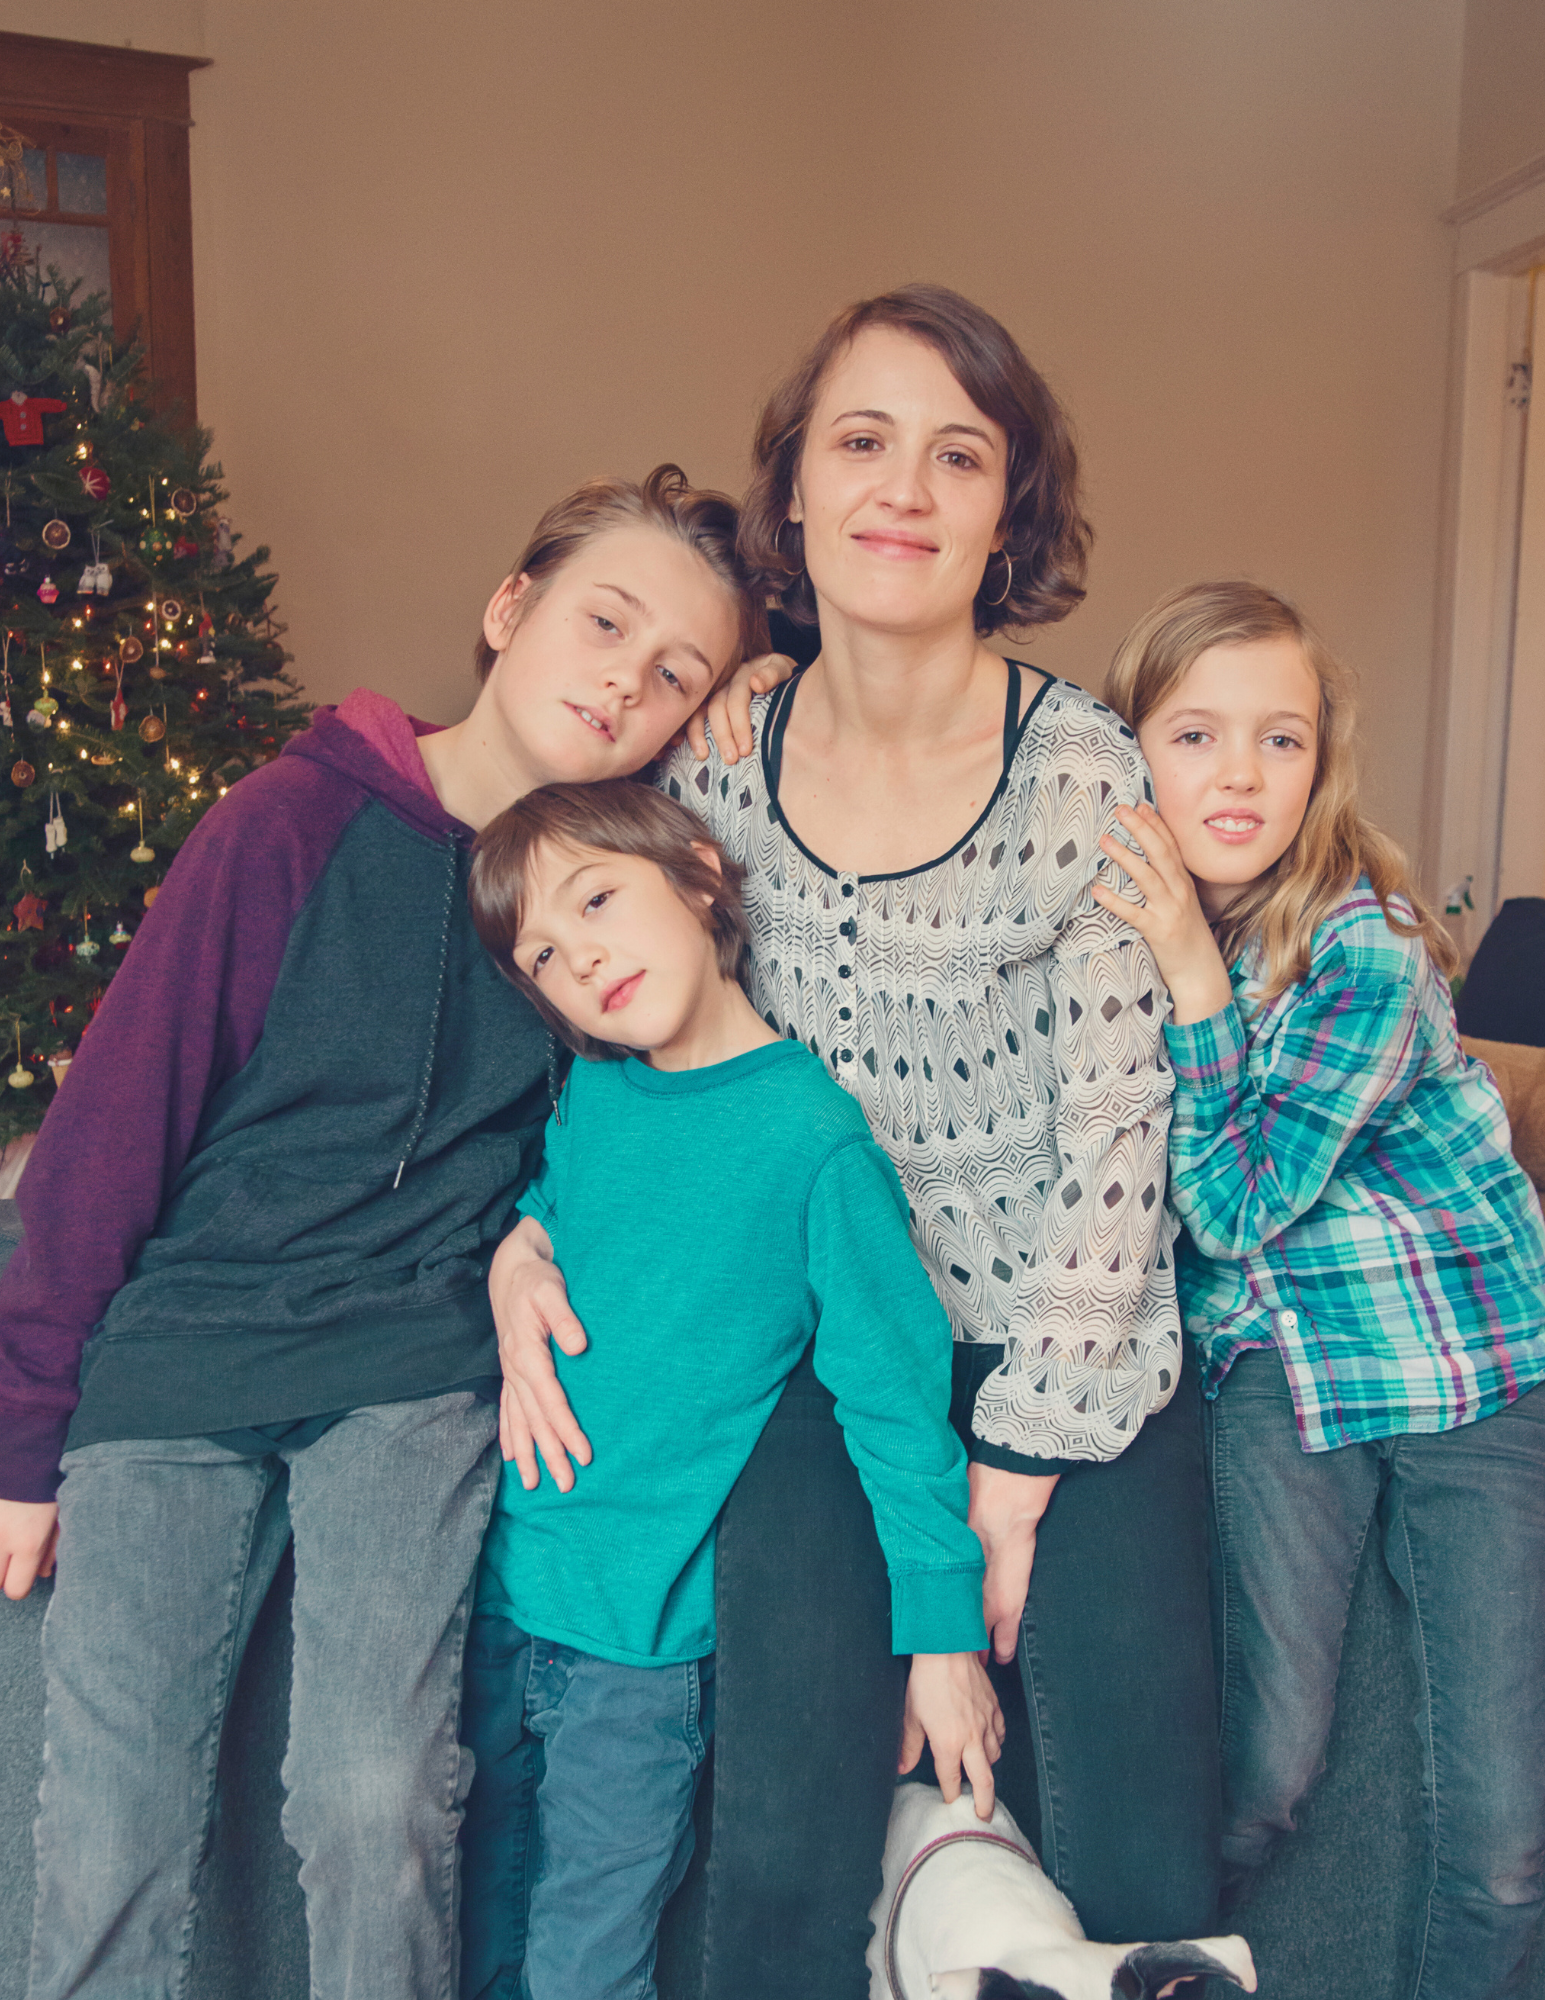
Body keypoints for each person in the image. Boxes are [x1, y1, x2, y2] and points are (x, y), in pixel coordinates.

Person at [493, 285, 1222, 1997]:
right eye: (861, 442)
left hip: (1072, 1356)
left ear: (1005, 515)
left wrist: (1018, 1481)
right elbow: (616, 1036)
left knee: (1141, 1837)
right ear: (796, 501)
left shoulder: (1087, 777)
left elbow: (1125, 1146)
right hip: (815, 1369)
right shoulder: (712, 771)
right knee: (784, 1848)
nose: (905, 486)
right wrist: (520, 1238)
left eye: (958, 454)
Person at [0, 464, 786, 2000]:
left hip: (411, 1368)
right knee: (107, 1820)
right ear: (510, 611)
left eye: (674, 672)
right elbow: (109, 1131)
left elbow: (615, 1139)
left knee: (374, 1799)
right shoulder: (286, 823)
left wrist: (513, 1244)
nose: (626, 676)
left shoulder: (599, 909)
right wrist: (23, 1430)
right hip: (186, 1346)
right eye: (604, 622)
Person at [458, 779, 998, 2000]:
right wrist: (515, 1250)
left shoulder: (816, 1141)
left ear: (700, 877)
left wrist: (942, 1638)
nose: (578, 955)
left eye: (597, 897)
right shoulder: (594, 1092)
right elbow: (562, 1213)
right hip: (502, 1591)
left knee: (586, 1957)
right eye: (542, 949)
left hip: (639, 1650)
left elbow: (897, 1412)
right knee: (473, 1925)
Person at [1096, 579, 1545, 2000]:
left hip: (1468, 1364)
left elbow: (1231, 1205)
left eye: (1279, 741)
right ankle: (1140, 1966)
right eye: (1197, 734)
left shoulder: (1368, 944)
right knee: (1266, 1767)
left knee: (1503, 1834)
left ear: (1320, 763)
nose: (1239, 774)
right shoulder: (1106, 916)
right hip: (1282, 1368)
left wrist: (1188, 974)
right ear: (1127, 751)